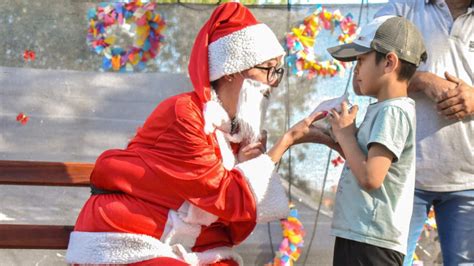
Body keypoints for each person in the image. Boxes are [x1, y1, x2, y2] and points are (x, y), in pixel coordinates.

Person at [65, 2, 332, 265]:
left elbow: (233, 226)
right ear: (231, 72)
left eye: (277, 71)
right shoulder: (186, 115)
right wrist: (286, 142)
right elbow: (225, 196)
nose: (273, 82)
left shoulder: (236, 131)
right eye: (267, 69)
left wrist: (247, 167)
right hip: (127, 237)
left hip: (183, 244)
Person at [374, 1, 474, 265]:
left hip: (470, 180)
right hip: (400, 175)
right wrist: (421, 80)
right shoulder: (402, 8)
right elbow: (366, 72)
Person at [326, 15, 427, 265]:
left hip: (372, 242)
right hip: (362, 235)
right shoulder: (385, 110)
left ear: (389, 62)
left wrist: (347, 134)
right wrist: (337, 138)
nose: (356, 69)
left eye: (361, 60)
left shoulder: (393, 111)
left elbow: (371, 177)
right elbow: (366, 162)